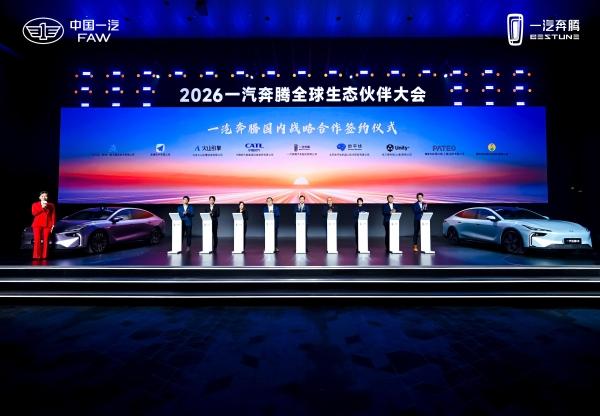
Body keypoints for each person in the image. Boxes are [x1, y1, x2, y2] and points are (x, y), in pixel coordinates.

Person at [31, 191, 56, 260]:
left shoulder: (51, 205)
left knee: (46, 240)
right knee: (37, 240)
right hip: (37, 224)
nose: (44, 197)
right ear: (39, 197)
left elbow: (53, 215)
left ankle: (44, 256)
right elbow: (34, 213)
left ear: (47, 197)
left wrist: (53, 225)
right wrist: (42, 207)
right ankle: (36, 256)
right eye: (42, 196)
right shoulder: (35, 204)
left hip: (48, 224)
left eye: (45, 196)